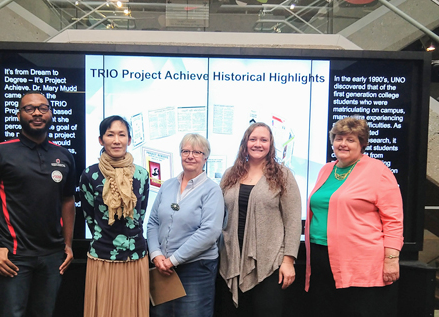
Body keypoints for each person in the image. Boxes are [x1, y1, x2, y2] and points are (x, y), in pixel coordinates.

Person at [0, 91, 76, 317]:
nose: (37, 113)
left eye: (43, 108)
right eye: (29, 108)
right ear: (19, 115)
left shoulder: (64, 155)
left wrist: (68, 244)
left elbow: (68, 200)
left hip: (52, 257)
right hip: (12, 256)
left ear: (51, 113)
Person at [305, 116, 403, 317]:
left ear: (363, 143)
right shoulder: (326, 169)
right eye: (339, 138)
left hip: (359, 262)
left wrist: (392, 258)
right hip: (320, 256)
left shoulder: (378, 171)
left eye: (350, 140)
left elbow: (393, 219)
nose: (343, 144)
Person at [217, 122, 302, 317]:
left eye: (263, 140)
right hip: (232, 259)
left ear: (271, 144)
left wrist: (288, 261)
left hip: (269, 263)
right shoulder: (231, 174)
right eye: (253, 139)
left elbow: (292, 221)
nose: (258, 144)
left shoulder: (283, 175)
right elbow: (218, 213)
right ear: (245, 143)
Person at [79, 115, 150, 317]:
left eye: (122, 134)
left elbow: (141, 214)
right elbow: (90, 217)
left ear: (129, 139)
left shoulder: (142, 175)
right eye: (110, 135)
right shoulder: (89, 175)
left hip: (135, 256)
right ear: (101, 140)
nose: (116, 140)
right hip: (103, 256)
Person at [147, 133, 224, 317]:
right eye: (186, 151)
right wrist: (156, 255)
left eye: (197, 152)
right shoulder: (167, 186)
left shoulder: (212, 190)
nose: (190, 156)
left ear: (205, 158)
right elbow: (153, 222)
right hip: (162, 267)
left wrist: (173, 260)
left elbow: (209, 232)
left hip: (195, 269)